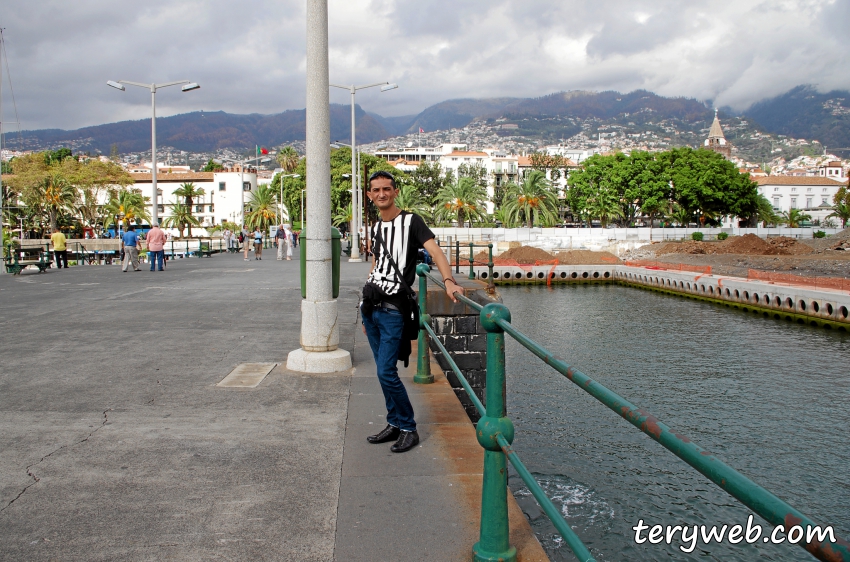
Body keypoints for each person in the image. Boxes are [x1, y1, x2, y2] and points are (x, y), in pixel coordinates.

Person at [361, 170, 463, 453]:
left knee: (385, 372)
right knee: (384, 372)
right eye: (376, 190)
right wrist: (363, 304)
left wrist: (449, 282)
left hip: (394, 308)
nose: (381, 193)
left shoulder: (411, 222)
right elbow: (377, 264)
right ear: (370, 195)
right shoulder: (377, 228)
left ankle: (408, 427)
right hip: (371, 307)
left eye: (386, 189)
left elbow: (437, 252)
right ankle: (394, 422)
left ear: (394, 192)